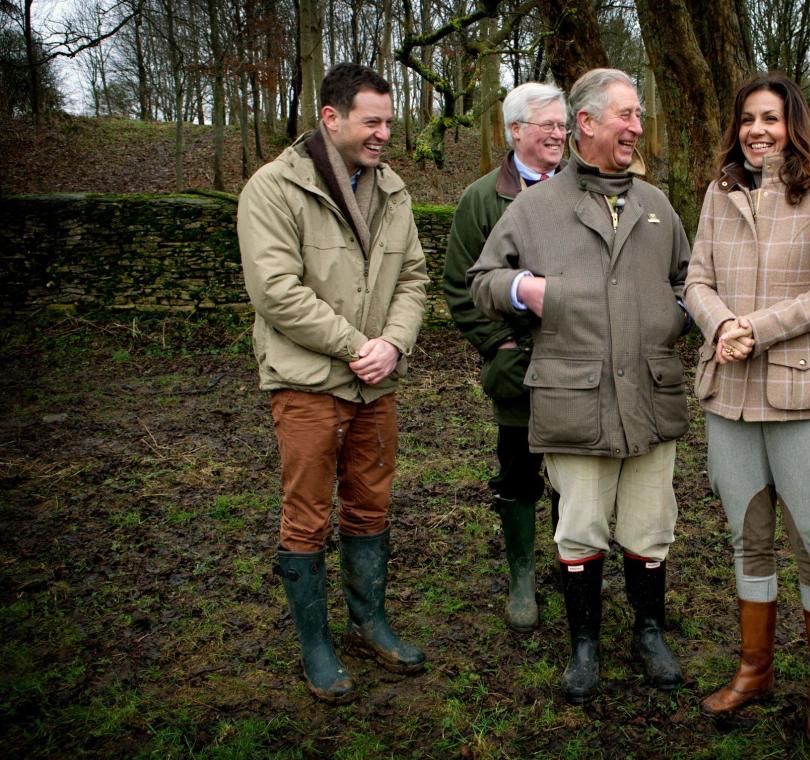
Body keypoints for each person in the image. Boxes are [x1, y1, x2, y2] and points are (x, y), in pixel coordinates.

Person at [468, 68, 692, 703]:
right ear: (587, 123)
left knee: (651, 523)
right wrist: (524, 290)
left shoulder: (657, 206)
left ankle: (649, 633)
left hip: (650, 391)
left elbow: (686, 278)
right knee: (582, 523)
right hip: (575, 395)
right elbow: (481, 279)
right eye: (625, 115)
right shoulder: (535, 208)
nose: (637, 127)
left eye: (640, 116)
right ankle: (584, 646)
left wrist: (674, 315)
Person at [238, 63, 430, 703]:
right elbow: (275, 292)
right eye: (372, 121)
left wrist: (394, 345)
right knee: (307, 518)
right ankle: (316, 644)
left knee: (371, 507)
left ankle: (368, 624)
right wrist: (357, 346)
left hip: (376, 387)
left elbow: (413, 280)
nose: (383, 134)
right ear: (331, 117)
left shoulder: (393, 191)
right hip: (308, 385)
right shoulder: (273, 189)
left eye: (388, 122)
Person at [685, 73, 810, 741]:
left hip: (800, 395)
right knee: (746, 541)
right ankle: (753, 670)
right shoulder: (717, 191)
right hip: (727, 396)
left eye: (771, 117)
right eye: (747, 119)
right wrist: (721, 324)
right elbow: (695, 278)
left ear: (794, 125)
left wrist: (756, 328)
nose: (757, 130)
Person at [443, 82, 568, 632]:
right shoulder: (480, 199)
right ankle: (522, 576)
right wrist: (500, 344)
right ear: (515, 130)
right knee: (519, 471)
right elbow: (460, 285)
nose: (559, 135)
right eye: (548, 126)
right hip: (517, 368)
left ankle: (573, 566)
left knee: (577, 471)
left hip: (579, 363)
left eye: (564, 126)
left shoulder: (585, 189)